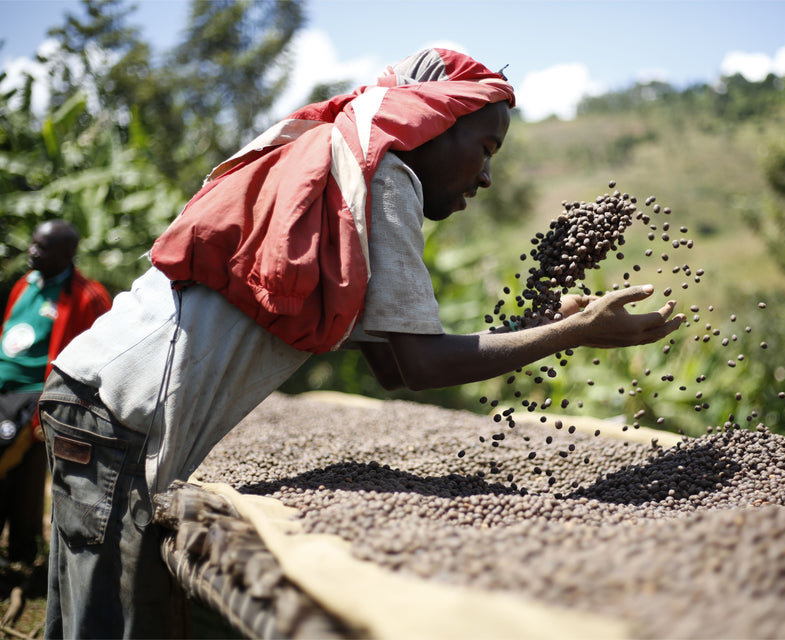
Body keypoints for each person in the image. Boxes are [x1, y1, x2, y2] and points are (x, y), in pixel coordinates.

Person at [38, 48, 685, 639]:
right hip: (112, 415)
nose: (485, 177)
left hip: (97, 405)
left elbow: (393, 362)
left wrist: (542, 323)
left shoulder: (346, 164)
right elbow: (422, 364)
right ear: (436, 121)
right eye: (485, 148)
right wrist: (574, 331)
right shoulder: (383, 173)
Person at [0, 220, 110, 565]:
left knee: (12, 464)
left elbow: (97, 359)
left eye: (43, 247)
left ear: (67, 254)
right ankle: (17, 550)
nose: (33, 251)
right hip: (5, 388)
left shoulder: (87, 296)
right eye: (34, 243)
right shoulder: (24, 285)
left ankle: (22, 550)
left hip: (37, 395)